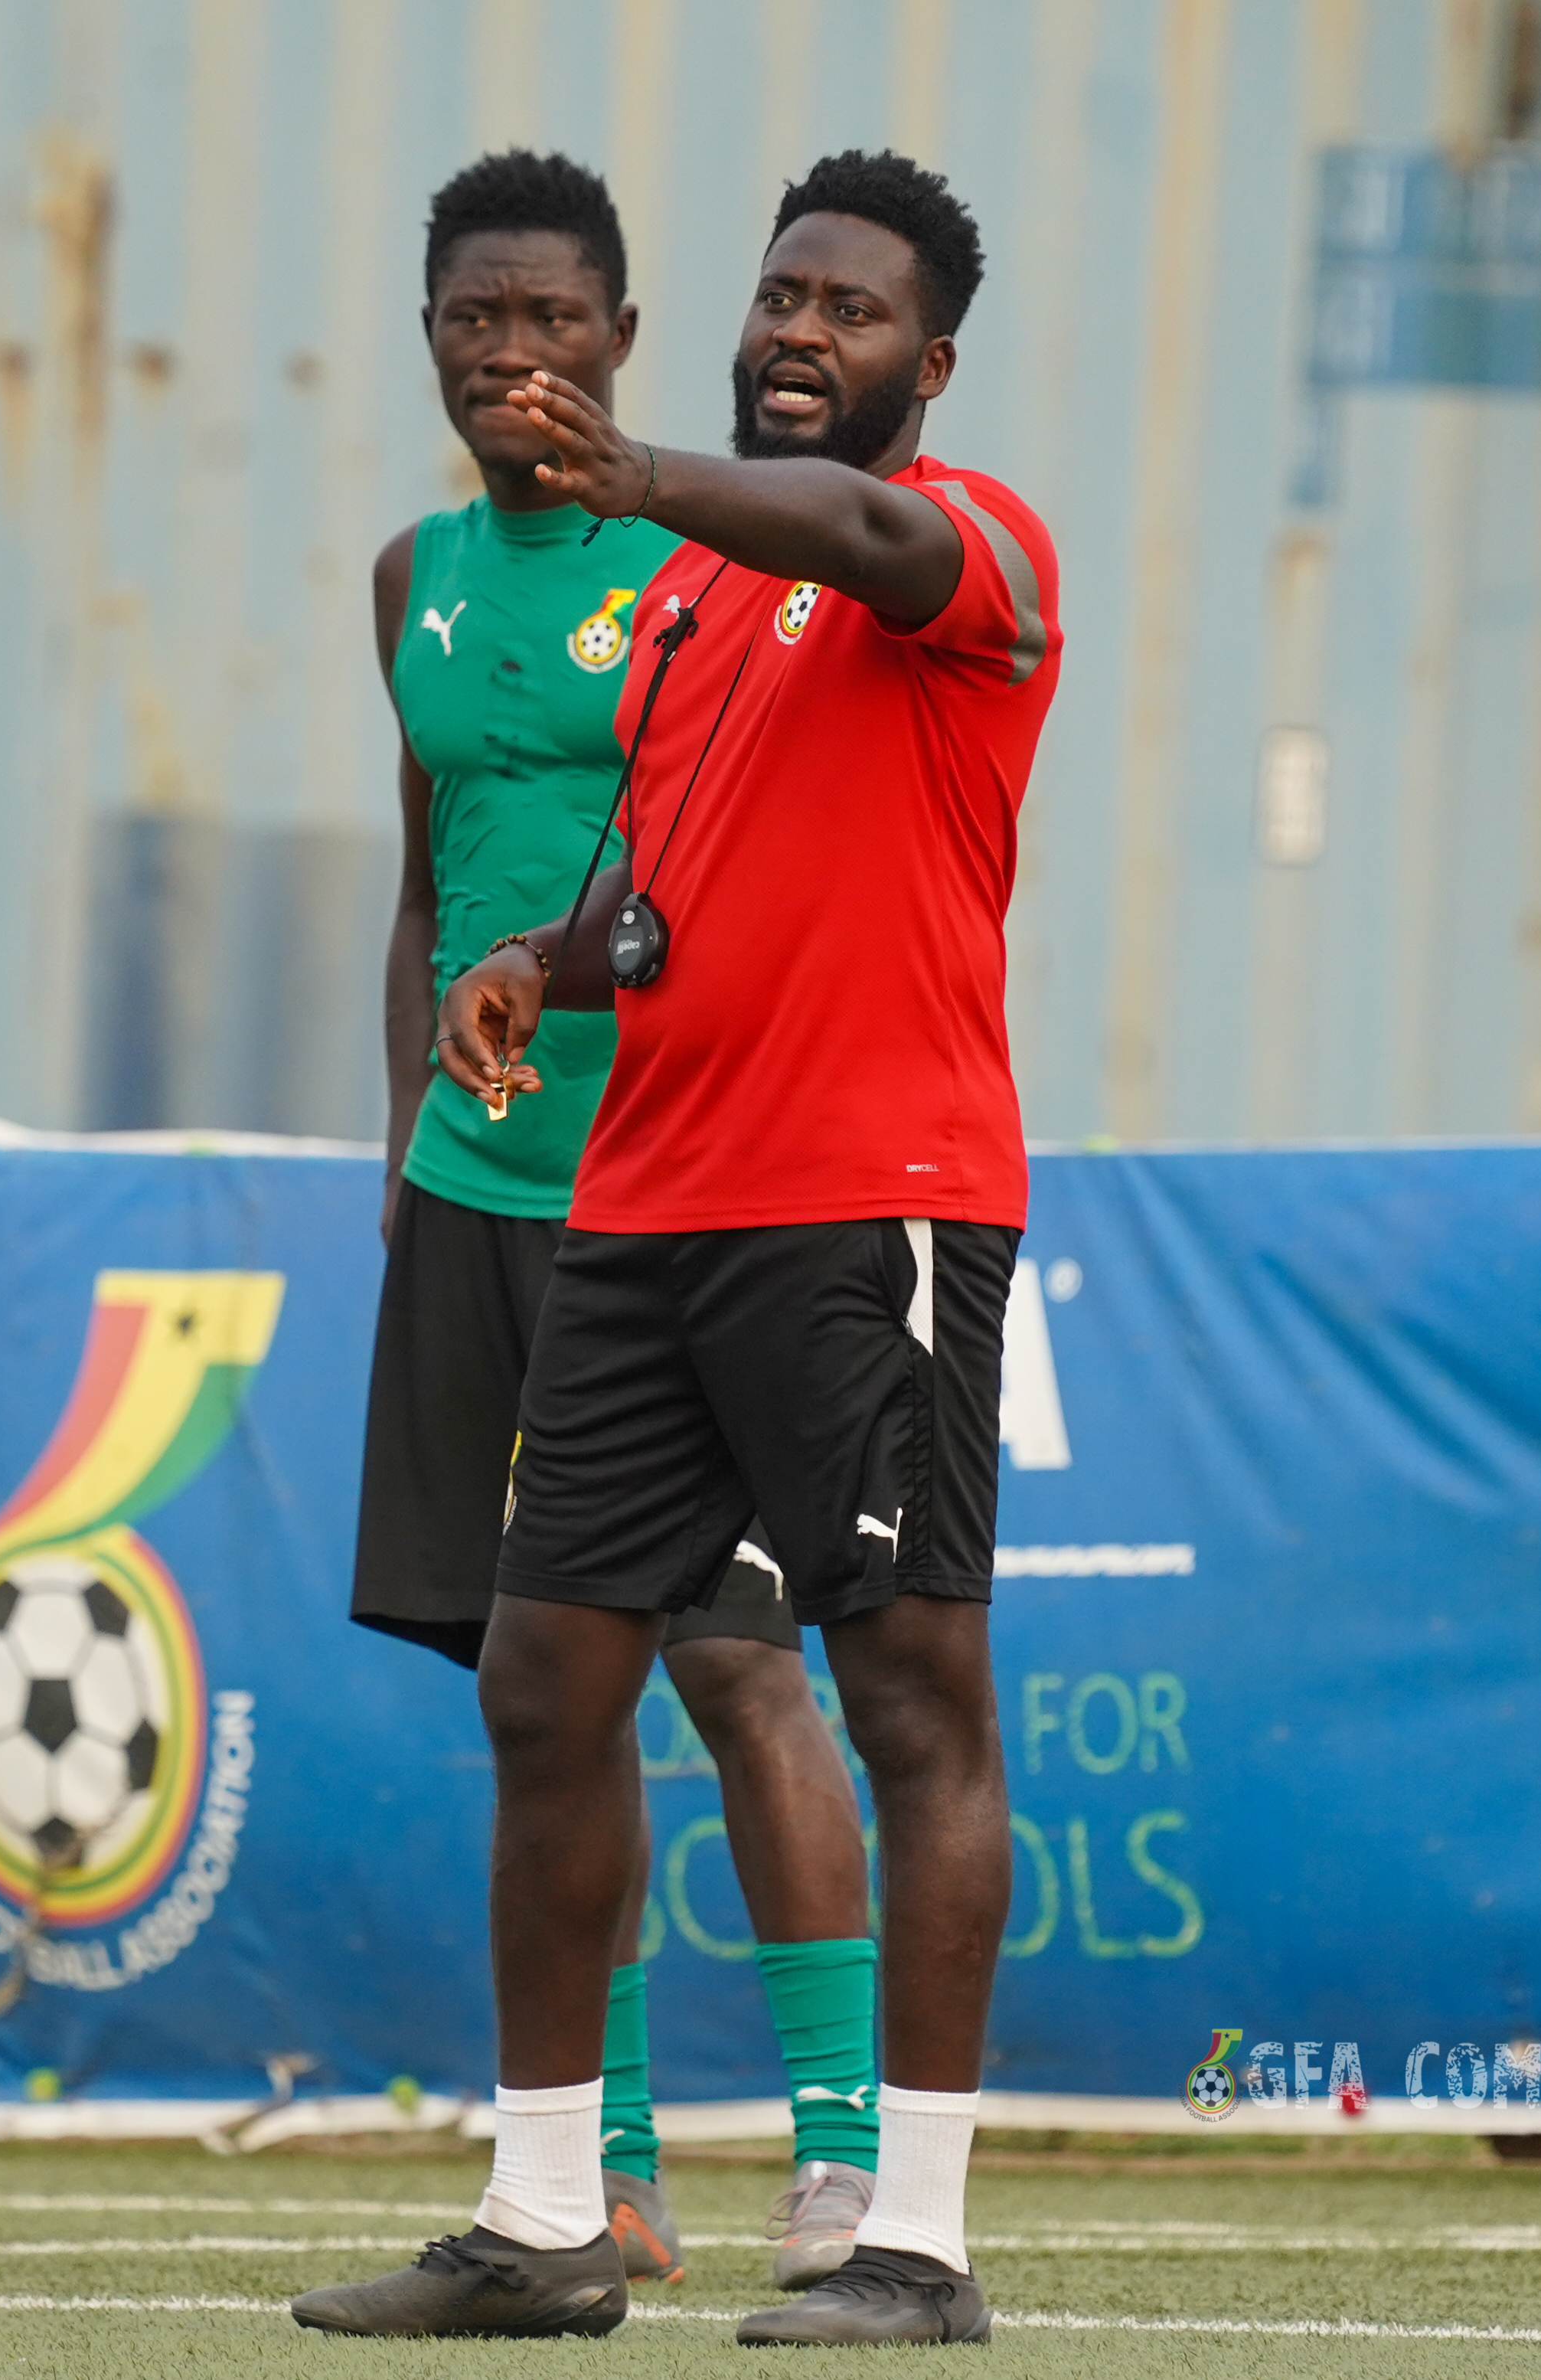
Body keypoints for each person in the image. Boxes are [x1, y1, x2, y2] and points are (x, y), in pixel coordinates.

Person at [295, 149, 1059, 2348]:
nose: (805, 328)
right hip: (644, 1197)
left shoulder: (964, 540)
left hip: (869, 1198)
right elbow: (662, 892)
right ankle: (554, 2212)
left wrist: (645, 470)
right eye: (783, 292)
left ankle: (905, 2231)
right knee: (547, 1678)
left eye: (855, 308)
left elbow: (865, 534)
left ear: (934, 358)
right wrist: (538, 959)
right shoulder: (699, 609)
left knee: (905, 1695)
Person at [344, 151, 880, 2293]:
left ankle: (842, 2164)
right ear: (435, 343)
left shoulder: (701, 562)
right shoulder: (410, 579)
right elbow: (427, 882)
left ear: (626, 344)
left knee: (745, 1669)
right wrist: (403, 1139)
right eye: (479, 320)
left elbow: (728, 872)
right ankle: (612, 2176)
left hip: (682, 1190)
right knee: (541, 1696)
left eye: (557, 321)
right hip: (476, 1197)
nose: (516, 356)